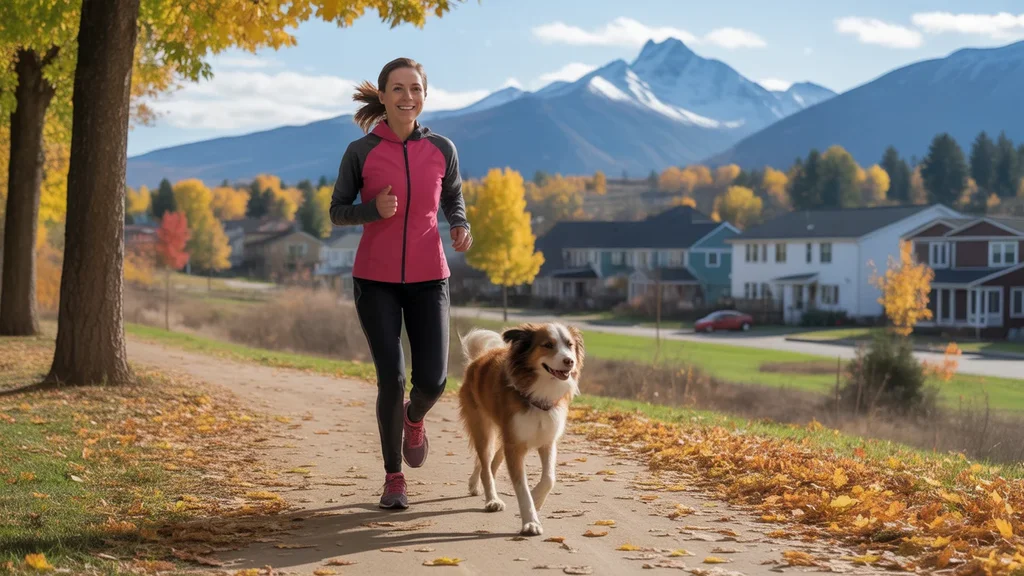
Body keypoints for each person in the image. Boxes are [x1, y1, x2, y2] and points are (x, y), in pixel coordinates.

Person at [329, 57, 472, 510]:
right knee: (391, 377)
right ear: (384, 96)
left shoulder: (442, 149)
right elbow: (337, 210)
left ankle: (415, 417)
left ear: (425, 96)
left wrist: (459, 224)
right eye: (398, 88)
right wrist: (372, 210)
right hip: (375, 280)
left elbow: (453, 195)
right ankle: (394, 478)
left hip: (431, 277)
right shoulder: (361, 151)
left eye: (415, 89)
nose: (407, 97)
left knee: (432, 380)